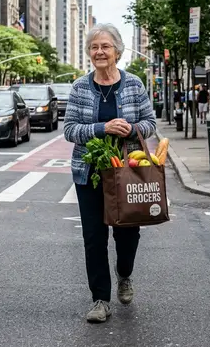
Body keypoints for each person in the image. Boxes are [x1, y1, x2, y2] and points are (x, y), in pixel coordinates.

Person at [63, 23, 156, 324]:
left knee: (127, 233)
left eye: (105, 46)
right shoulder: (79, 87)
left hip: (127, 171)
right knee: (94, 237)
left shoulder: (134, 85)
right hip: (89, 173)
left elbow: (150, 123)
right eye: (94, 47)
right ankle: (100, 299)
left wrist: (132, 129)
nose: (99, 52)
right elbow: (69, 130)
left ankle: (124, 274)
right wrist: (102, 128)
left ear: (117, 51)